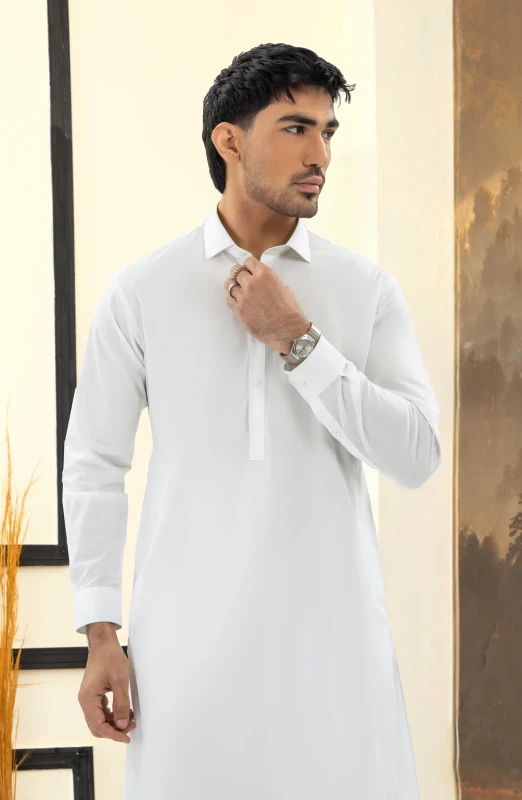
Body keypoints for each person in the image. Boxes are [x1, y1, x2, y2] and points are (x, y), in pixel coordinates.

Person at [62, 42, 441, 800]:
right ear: (229, 141)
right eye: (296, 128)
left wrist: (299, 342)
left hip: (336, 656)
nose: (320, 155)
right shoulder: (143, 291)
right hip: (186, 659)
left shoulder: (365, 289)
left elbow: (417, 454)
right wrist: (101, 633)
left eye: (328, 132)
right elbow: (95, 465)